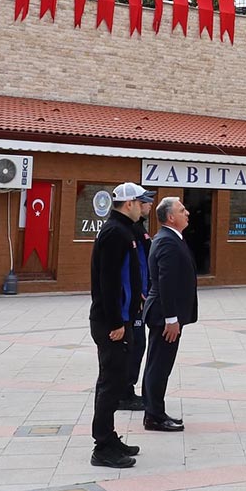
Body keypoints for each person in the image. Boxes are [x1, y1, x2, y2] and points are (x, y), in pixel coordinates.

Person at [87, 181, 149, 468]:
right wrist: (116, 322)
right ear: (129, 204)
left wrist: (135, 293)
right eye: (140, 202)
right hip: (112, 321)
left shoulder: (123, 230)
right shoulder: (115, 232)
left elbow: (125, 275)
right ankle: (102, 447)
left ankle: (110, 437)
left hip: (122, 316)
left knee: (115, 379)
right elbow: (108, 282)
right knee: (110, 384)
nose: (143, 207)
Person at [142, 196, 198, 433]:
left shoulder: (172, 238)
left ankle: (154, 411)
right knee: (159, 365)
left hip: (166, 314)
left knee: (159, 363)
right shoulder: (167, 241)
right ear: (170, 217)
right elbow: (165, 282)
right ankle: (154, 416)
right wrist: (171, 318)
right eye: (182, 210)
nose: (187, 213)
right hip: (164, 316)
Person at [120, 190, 154, 412]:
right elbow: (135, 266)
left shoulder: (138, 228)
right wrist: (140, 291)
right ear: (133, 204)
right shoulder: (129, 230)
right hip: (133, 300)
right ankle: (124, 393)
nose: (150, 206)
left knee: (138, 344)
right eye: (146, 202)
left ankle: (127, 390)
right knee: (133, 345)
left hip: (139, 296)